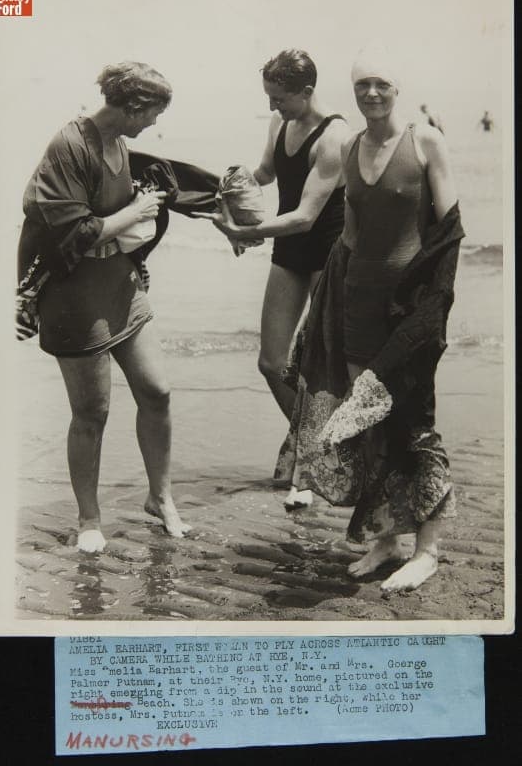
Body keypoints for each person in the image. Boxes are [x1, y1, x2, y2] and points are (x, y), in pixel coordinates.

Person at [274, 43, 465, 594]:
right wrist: (324, 312)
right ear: (353, 91)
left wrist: (432, 311)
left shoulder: (426, 141)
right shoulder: (352, 146)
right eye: (362, 86)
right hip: (358, 302)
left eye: (381, 84)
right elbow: (349, 238)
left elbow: (449, 232)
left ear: (397, 88)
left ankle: (427, 550)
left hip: (409, 310)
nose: (372, 93)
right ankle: (387, 538)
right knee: (370, 428)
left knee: (413, 421)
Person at [17, 62, 191, 553]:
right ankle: (89, 519)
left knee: (157, 391)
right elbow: (71, 231)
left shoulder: (120, 143)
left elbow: (117, 213)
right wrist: (134, 213)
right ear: (133, 106)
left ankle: (160, 497)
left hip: (119, 283)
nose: (154, 123)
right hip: (72, 293)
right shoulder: (69, 145)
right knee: (92, 411)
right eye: (153, 113)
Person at [193, 50, 349, 421]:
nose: (272, 105)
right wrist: (222, 187)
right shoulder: (279, 124)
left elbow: (306, 217)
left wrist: (243, 230)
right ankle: (309, 443)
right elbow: (265, 172)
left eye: (279, 98)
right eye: (268, 97)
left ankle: (333, 452)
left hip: (327, 249)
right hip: (290, 246)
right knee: (271, 361)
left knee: (326, 367)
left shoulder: (335, 136)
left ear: (306, 91)